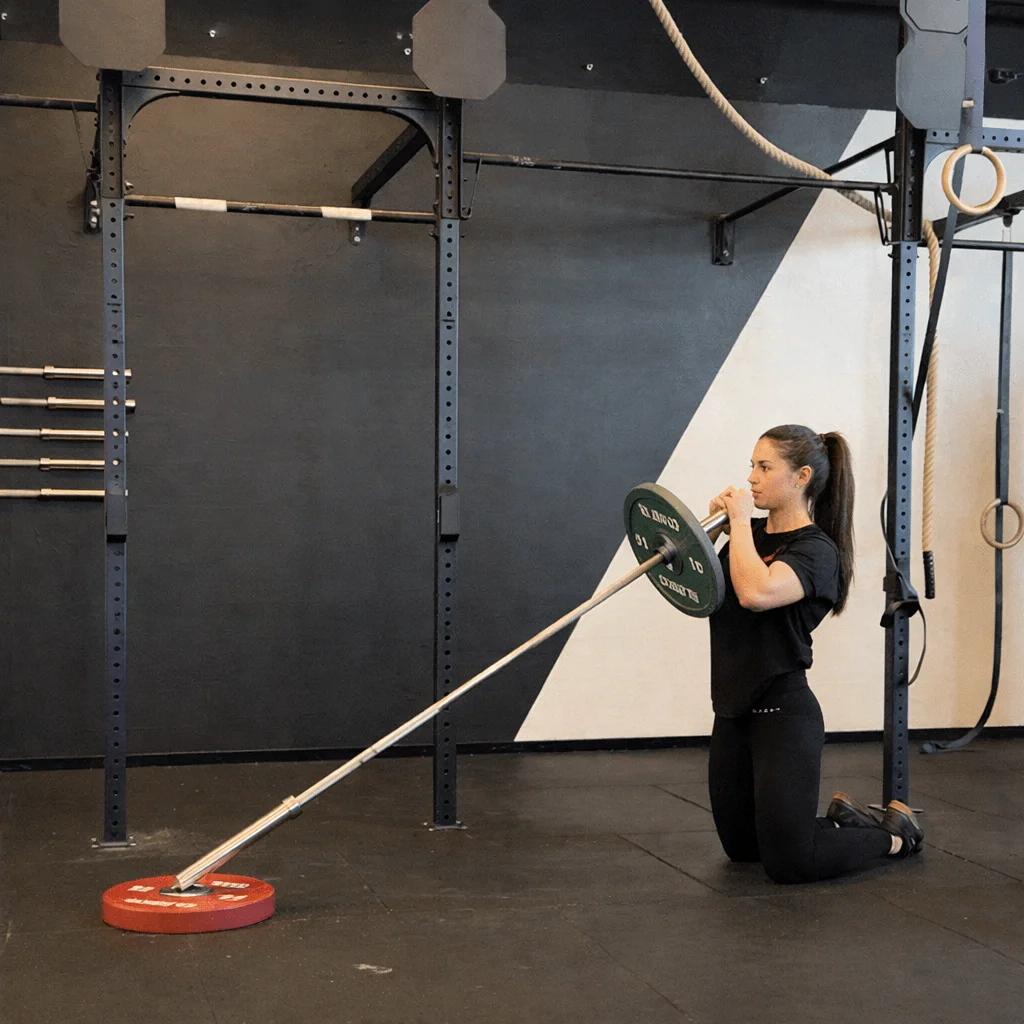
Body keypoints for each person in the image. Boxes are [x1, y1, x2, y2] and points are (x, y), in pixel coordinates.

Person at [706, 424, 923, 884]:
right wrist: (701, 538)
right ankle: (843, 823)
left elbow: (755, 594)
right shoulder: (745, 538)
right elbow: (701, 595)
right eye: (752, 466)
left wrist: (739, 525)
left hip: (782, 713)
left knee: (789, 864)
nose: (751, 479)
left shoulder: (816, 550)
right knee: (744, 851)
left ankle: (895, 836)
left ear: (801, 476)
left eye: (765, 467)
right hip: (731, 711)